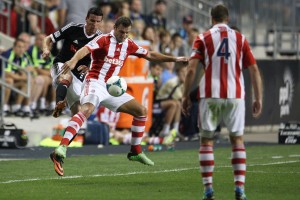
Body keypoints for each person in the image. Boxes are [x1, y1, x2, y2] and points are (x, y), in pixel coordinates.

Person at [50, 16, 188, 176]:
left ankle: (135, 151)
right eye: (121, 32)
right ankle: (62, 148)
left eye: (127, 33)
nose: (123, 35)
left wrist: (175, 59)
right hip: (94, 82)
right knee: (85, 111)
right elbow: (84, 50)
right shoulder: (103, 39)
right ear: (114, 28)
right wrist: (73, 61)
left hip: (110, 86)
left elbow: (150, 55)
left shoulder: (128, 44)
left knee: (141, 111)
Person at [181, 4, 263, 200]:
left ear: (212, 18)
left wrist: (185, 96)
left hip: (210, 94)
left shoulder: (202, 37)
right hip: (235, 95)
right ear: (227, 18)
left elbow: (191, 70)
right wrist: (258, 97)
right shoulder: (241, 38)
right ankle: (240, 190)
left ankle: (208, 190)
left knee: (207, 141)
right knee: (237, 140)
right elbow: (254, 70)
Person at [42, 7, 103, 118]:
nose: (94, 24)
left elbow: (101, 61)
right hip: (62, 64)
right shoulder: (73, 28)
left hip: (79, 74)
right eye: (92, 21)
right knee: (66, 77)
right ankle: (59, 103)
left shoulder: (100, 39)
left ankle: (75, 132)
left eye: (98, 21)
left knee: (77, 107)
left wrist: (90, 67)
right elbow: (48, 38)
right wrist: (46, 49)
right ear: (86, 19)